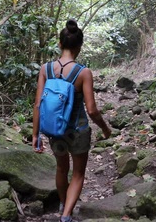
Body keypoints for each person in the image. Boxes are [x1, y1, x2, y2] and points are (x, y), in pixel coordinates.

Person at [32, 19, 112, 222]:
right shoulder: (83, 73)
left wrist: (35, 135)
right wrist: (105, 129)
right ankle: (66, 216)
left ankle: (62, 203)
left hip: (54, 130)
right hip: (78, 130)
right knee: (77, 174)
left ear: (60, 44)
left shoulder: (45, 69)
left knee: (61, 168)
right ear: (80, 46)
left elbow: (38, 105)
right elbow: (92, 110)